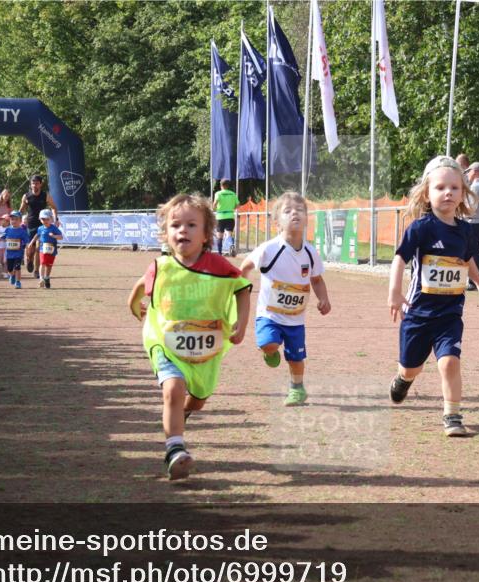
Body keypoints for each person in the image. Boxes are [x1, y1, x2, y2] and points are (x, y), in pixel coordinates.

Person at [127, 193, 252, 480]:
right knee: (173, 388)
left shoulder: (219, 267)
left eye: (191, 225)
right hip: (165, 340)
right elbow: (140, 285)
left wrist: (242, 323)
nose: (182, 230)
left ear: (207, 234)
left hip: (205, 348)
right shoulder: (160, 267)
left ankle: (181, 414)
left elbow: (242, 289)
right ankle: (175, 450)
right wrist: (133, 304)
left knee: (197, 400)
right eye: (175, 225)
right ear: (166, 233)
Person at [387, 156, 479, 437]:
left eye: (454, 188)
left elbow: (467, 260)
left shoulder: (466, 231)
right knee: (412, 368)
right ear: (426, 193)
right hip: (418, 314)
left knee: (449, 362)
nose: (448, 193)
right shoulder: (420, 229)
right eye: (440, 187)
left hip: (449, 314)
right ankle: (402, 379)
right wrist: (395, 292)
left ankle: (452, 415)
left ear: (462, 193)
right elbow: (399, 259)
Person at [239, 191, 331, 407]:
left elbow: (316, 279)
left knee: (296, 358)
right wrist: (239, 287)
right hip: (269, 314)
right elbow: (245, 267)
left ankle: (297, 388)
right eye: (287, 211)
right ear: (276, 222)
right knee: (268, 344)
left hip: (295, 320)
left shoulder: (310, 252)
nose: (294, 214)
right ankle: (269, 353)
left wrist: (324, 298)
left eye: (299, 210)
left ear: (307, 217)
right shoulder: (269, 249)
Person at [19, 174, 59, 276]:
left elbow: (54, 207)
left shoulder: (45, 195)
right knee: (30, 249)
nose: (35, 185)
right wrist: (16, 220)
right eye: (33, 183)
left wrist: (55, 219)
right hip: (30, 224)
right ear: (30, 184)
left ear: (41, 184)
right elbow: (21, 210)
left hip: (42, 225)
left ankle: (37, 271)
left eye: (37, 183)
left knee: (38, 248)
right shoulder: (26, 196)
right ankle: (29, 260)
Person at [35, 208, 63, 288]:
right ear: (40, 219)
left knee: (49, 265)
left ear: (51, 219)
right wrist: (32, 242)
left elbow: (61, 237)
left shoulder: (54, 228)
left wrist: (54, 236)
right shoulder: (40, 228)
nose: (45, 221)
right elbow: (37, 235)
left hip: (52, 250)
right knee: (42, 263)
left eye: (47, 219)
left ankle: (47, 277)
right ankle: (41, 278)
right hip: (42, 249)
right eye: (43, 219)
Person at [2, 210, 30, 289]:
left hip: (18, 253)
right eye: (12, 219)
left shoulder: (22, 231)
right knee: (10, 268)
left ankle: (18, 282)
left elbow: (27, 241)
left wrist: (28, 249)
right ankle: (12, 275)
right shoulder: (8, 230)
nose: (13, 221)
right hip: (9, 254)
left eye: (16, 219)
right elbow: (2, 237)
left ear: (20, 221)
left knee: (17, 267)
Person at [212, 179, 240, 256]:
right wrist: (232, 209)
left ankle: (220, 253)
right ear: (228, 186)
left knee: (219, 235)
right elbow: (238, 205)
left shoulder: (218, 193)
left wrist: (214, 209)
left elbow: (215, 204)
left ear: (221, 186)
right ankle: (231, 245)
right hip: (230, 216)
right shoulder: (233, 194)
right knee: (229, 234)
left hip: (220, 217)